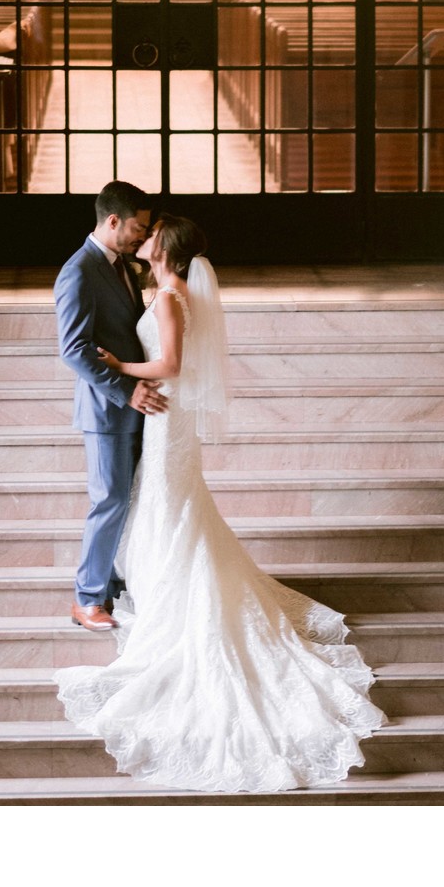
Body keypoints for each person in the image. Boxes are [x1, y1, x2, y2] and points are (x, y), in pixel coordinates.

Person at [54, 213, 386, 793]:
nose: (144, 236)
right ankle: (155, 583)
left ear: (166, 249)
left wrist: (119, 368)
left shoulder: (167, 298)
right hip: (165, 419)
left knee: (169, 504)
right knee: (168, 506)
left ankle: (164, 591)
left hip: (163, 412)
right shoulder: (162, 290)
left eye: (151, 233)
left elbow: (173, 365)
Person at [53, 181, 168, 632]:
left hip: (136, 405)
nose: (142, 235)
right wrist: (126, 390)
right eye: (138, 226)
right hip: (107, 409)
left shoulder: (121, 265)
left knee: (130, 498)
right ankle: (87, 598)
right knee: (110, 500)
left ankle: (117, 586)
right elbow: (74, 348)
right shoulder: (78, 271)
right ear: (113, 220)